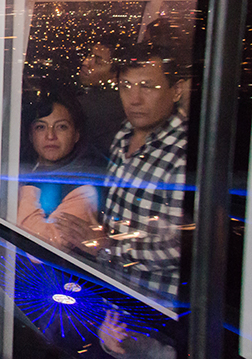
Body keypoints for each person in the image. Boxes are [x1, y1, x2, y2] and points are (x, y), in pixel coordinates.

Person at [57, 41, 187, 303]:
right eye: (126, 86)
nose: (134, 99)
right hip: (115, 294)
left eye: (147, 86)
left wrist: (107, 247)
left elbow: (180, 247)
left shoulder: (183, 153)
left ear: (176, 91)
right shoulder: (123, 136)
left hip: (154, 304)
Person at [16, 92, 103, 249]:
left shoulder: (83, 188)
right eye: (41, 127)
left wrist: (23, 189)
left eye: (61, 127)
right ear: (30, 135)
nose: (50, 136)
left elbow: (46, 243)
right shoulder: (25, 166)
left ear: (76, 134)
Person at [77, 40, 126, 155]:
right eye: (89, 56)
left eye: (98, 62)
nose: (86, 63)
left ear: (115, 75)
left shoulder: (99, 106)